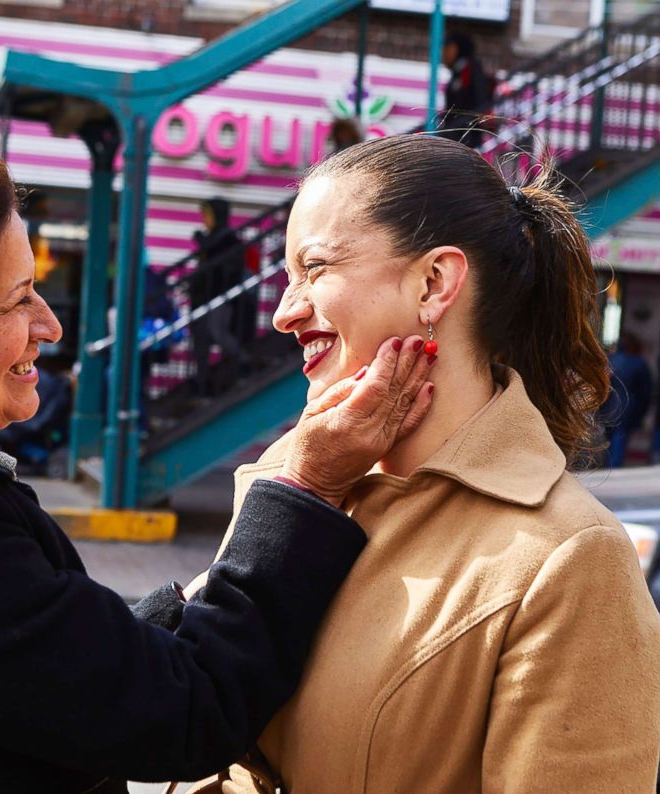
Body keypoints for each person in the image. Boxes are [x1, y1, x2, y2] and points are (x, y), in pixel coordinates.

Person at [0, 136, 436, 793]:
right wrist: (304, 486)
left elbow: (42, 664)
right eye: (17, 299)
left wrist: (195, 599)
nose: (50, 326)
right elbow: (184, 714)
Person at [187, 134, 660, 793]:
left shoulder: (569, 556)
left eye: (315, 269)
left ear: (434, 283)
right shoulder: (289, 479)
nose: (283, 314)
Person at [190, 197, 249, 396]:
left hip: (219, 298)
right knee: (201, 339)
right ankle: (202, 382)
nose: (204, 219)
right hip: (203, 300)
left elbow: (226, 269)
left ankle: (243, 361)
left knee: (218, 332)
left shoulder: (228, 239)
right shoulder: (212, 237)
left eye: (207, 214)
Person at [601, 331, 654, 467]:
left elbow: (602, 385)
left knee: (610, 436)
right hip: (628, 406)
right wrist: (642, 412)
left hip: (609, 404)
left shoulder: (611, 360)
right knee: (620, 437)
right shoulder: (639, 363)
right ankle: (613, 466)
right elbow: (645, 392)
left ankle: (608, 463)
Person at [437, 32, 493, 149]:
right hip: (455, 136)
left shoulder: (471, 71)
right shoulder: (458, 73)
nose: (444, 53)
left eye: (448, 48)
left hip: (467, 138)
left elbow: (480, 101)